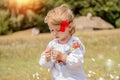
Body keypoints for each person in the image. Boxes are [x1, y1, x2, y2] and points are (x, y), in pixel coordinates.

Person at [39, 4, 87, 80]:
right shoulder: (52, 45)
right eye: (52, 30)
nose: (55, 33)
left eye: (58, 30)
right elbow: (46, 65)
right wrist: (47, 58)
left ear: (69, 26)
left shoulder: (74, 43)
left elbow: (78, 61)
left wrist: (63, 57)